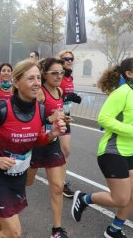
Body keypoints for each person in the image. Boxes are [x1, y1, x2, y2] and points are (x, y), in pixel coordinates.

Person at [0, 59, 66, 238]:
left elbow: (36, 140)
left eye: (38, 78)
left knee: (2, 223)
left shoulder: (41, 110)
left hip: (19, 176)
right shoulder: (1, 110)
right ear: (16, 82)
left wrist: (52, 135)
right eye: (30, 79)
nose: (36, 83)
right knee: (13, 233)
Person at [71, 57, 133, 238]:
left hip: (130, 150)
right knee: (120, 199)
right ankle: (84, 199)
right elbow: (104, 119)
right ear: (129, 73)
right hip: (113, 150)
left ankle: (113, 230)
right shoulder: (122, 92)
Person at [26, 57, 71, 238]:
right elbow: (30, 119)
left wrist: (61, 119)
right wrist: (50, 119)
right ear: (44, 74)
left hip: (51, 144)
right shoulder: (40, 93)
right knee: (26, 183)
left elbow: (54, 114)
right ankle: (5, 212)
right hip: (35, 145)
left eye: (61, 72)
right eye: (54, 72)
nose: (59, 76)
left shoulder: (59, 91)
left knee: (57, 187)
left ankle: (57, 230)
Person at [58, 50, 82, 197]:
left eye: (71, 58)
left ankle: (61, 182)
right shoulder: (57, 75)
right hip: (53, 116)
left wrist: (72, 98)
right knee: (36, 147)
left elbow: (66, 95)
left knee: (65, 151)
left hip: (66, 116)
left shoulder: (69, 77)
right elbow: (49, 93)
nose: (69, 60)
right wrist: (66, 95)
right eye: (65, 58)